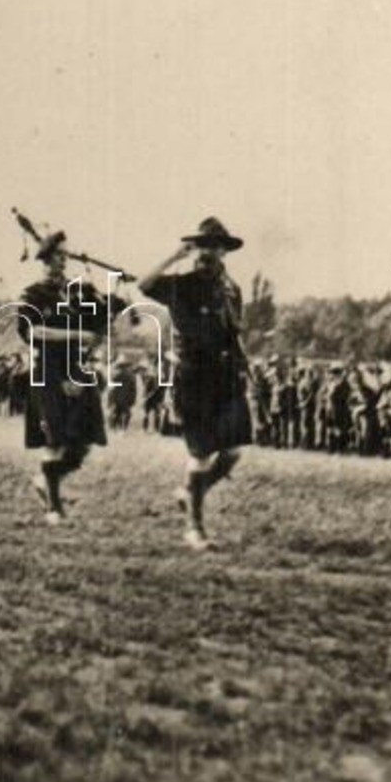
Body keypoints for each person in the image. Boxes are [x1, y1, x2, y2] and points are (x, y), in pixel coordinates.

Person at [137, 217, 253, 550]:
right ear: (194, 250)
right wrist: (173, 257)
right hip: (193, 377)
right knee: (201, 455)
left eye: (215, 246)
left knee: (232, 452)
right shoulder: (181, 284)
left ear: (223, 252)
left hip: (227, 375)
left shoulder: (232, 289)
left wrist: (245, 366)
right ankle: (194, 528)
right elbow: (144, 285)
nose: (208, 252)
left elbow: (235, 332)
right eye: (202, 246)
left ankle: (190, 492)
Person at [16, 231, 127, 525]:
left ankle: (44, 480)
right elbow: (33, 332)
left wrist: (116, 297)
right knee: (54, 439)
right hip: (48, 370)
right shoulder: (33, 294)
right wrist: (76, 334)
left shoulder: (79, 292)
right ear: (45, 259)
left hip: (78, 368)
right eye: (57, 256)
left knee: (83, 442)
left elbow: (100, 319)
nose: (63, 261)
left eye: (65, 256)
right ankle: (54, 506)